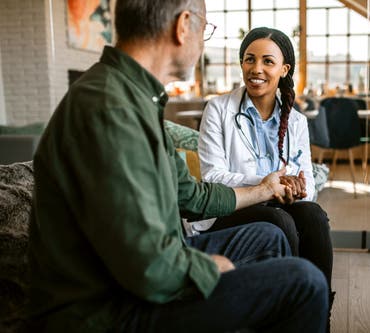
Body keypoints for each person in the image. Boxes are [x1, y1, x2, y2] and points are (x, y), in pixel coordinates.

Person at [27, 1, 328, 332]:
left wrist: (265, 189)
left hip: (139, 271)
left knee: (269, 235)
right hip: (106, 307)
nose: (203, 43)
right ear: (183, 25)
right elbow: (146, 267)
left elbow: (190, 195)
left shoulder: (135, 97)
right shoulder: (112, 110)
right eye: (205, 30)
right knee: (305, 282)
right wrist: (207, 268)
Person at [198, 27, 335, 311]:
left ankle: (319, 311)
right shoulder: (218, 109)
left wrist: (294, 190)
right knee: (280, 221)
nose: (256, 68)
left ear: (284, 69)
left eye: (267, 61)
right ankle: (290, 308)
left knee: (314, 216)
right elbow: (213, 177)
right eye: (249, 59)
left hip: (279, 204)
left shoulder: (295, 121)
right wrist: (267, 186)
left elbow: (306, 179)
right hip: (231, 209)